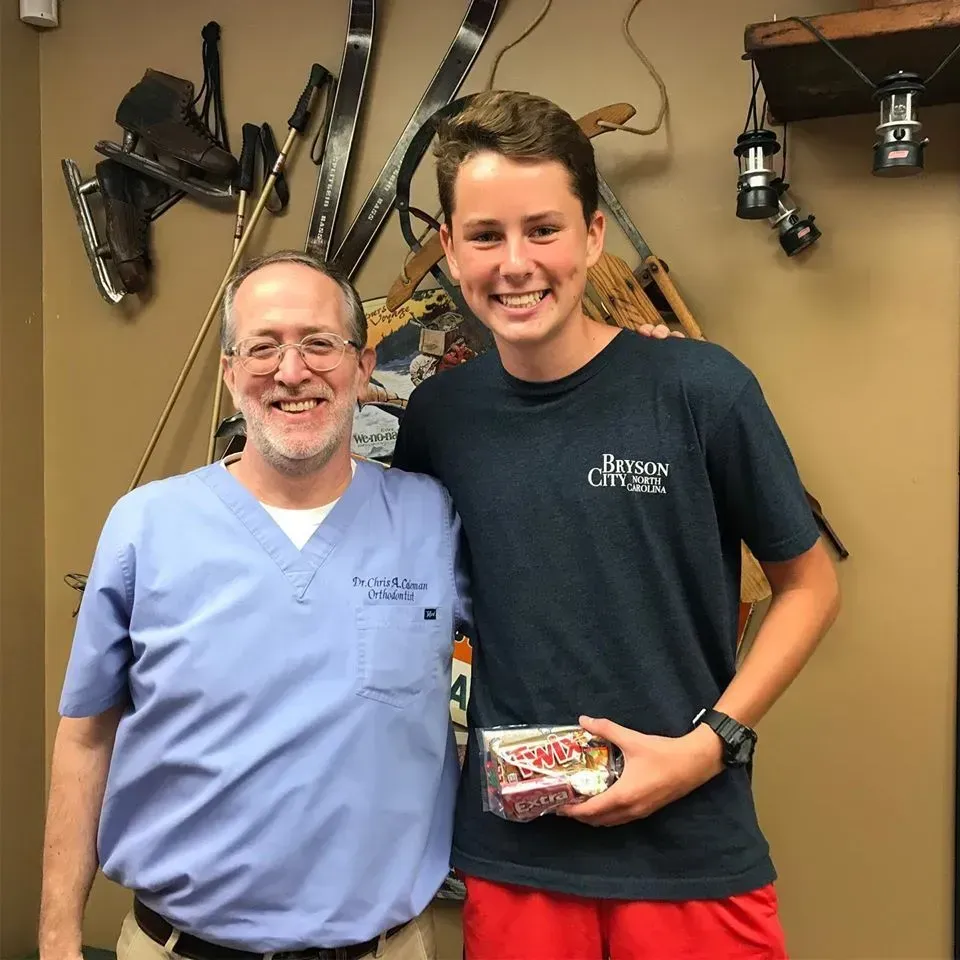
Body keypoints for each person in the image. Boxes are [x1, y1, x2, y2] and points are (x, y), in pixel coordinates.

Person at [389, 90, 842, 960]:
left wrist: (711, 746)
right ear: (449, 249)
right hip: (521, 851)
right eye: (485, 236)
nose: (515, 263)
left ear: (593, 235)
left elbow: (811, 585)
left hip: (690, 847)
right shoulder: (438, 419)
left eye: (544, 229)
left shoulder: (703, 390)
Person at [38, 250, 473, 960]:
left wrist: (623, 382)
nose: (292, 371)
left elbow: (549, 629)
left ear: (364, 368)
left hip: (385, 947)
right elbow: (87, 736)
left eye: (319, 344)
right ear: (230, 371)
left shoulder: (429, 520)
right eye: (262, 347)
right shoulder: (146, 526)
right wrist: (57, 937)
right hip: (176, 947)